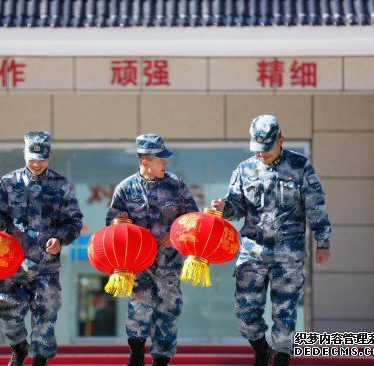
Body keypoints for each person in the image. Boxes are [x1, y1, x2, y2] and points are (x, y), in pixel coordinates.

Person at [211, 115, 332, 366]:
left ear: (281, 140)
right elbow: (236, 208)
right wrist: (223, 208)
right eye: (257, 149)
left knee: (284, 315)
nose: (261, 155)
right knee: (245, 314)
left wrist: (323, 242)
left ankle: (281, 359)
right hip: (253, 253)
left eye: (267, 149)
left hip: (288, 256)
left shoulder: (300, 167)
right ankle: (261, 349)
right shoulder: (245, 170)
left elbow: (316, 207)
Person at [0, 131, 83, 366]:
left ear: (50, 156)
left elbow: (74, 221)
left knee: (45, 320)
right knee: (7, 316)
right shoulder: (8, 183)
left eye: (42, 159)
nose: (36, 164)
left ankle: (40, 360)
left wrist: (60, 239)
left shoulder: (61, 185)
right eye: (32, 158)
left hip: (45, 267)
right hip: (12, 266)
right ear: (24, 155)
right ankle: (19, 347)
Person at [106, 134, 198, 366]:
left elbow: (192, 219)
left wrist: (175, 235)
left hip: (169, 263)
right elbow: (112, 223)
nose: (165, 163)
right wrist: (122, 221)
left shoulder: (176, 185)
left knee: (168, 312)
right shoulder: (125, 188)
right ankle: (136, 354)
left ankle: (161, 360)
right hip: (139, 265)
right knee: (139, 309)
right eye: (160, 159)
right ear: (145, 161)